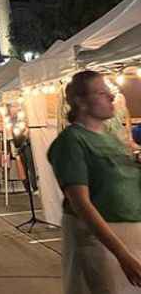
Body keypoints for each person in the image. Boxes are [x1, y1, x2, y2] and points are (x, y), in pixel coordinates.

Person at [48, 70, 141, 292]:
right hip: (102, 244)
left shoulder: (112, 140)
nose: (111, 97)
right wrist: (122, 256)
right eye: (101, 93)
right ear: (81, 102)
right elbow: (82, 205)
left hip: (133, 237)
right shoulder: (71, 142)